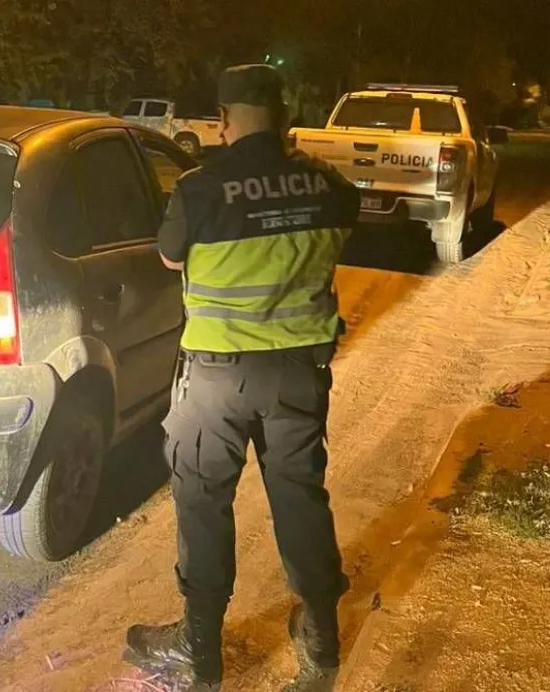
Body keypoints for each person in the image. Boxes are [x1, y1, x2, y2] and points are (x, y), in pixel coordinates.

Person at [123, 64, 360, 692]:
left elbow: (170, 256)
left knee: (203, 504)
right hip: (297, 376)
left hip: (216, 381)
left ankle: (200, 652)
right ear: (284, 117)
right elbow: (347, 215)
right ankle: (322, 643)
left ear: (224, 119)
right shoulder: (326, 184)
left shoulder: (200, 188)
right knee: (301, 499)